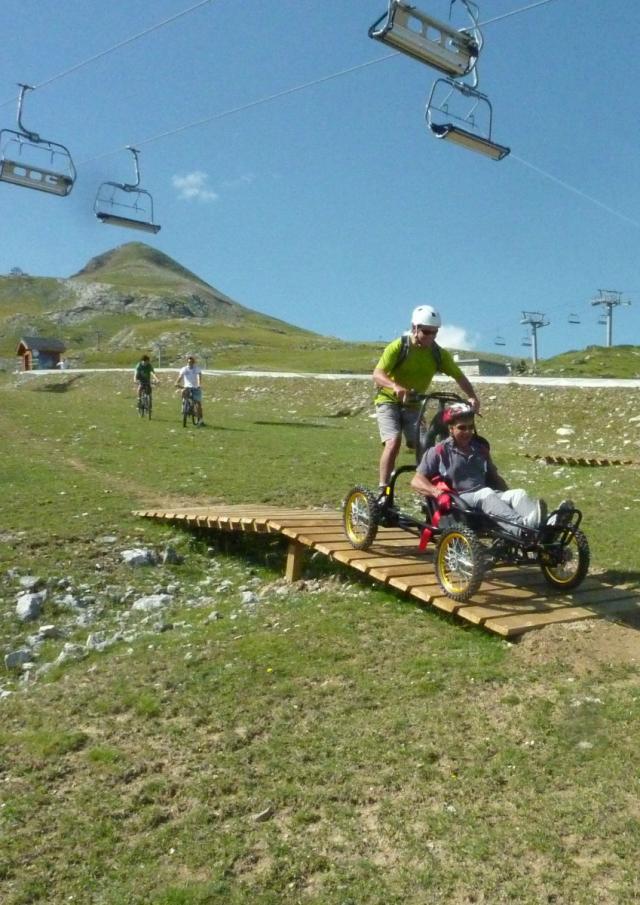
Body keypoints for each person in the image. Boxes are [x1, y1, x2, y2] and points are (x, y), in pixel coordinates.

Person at [410, 402, 571, 538]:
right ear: (451, 429)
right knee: (486, 494)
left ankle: (548, 527)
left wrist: (507, 498)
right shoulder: (438, 451)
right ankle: (523, 529)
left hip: (485, 495)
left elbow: (493, 476)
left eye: (471, 427)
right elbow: (416, 480)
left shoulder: (480, 449)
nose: (468, 432)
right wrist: (437, 493)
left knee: (518, 494)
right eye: (462, 428)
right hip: (459, 500)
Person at [373, 305, 481, 489]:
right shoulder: (399, 347)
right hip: (388, 401)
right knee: (393, 441)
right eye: (426, 332)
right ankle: (383, 488)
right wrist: (395, 386)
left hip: (413, 405)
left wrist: (472, 397)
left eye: (435, 333)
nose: (430, 336)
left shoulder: (437, 354)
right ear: (414, 328)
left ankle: (430, 488)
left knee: (426, 445)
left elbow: (459, 376)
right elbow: (377, 374)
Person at [175, 354, 204, 426]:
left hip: (195, 387)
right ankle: (183, 405)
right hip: (187, 387)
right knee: (183, 392)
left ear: (193, 362)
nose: (190, 363)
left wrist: (199, 384)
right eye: (188, 362)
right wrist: (177, 382)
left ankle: (201, 420)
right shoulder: (184, 369)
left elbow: (198, 376)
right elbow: (180, 376)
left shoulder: (196, 368)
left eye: (191, 362)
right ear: (187, 362)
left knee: (198, 404)